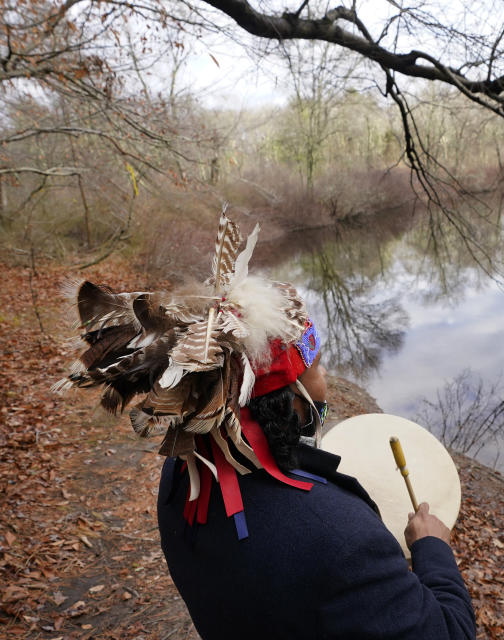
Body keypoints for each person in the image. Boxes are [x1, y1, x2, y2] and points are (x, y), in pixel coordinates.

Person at [56, 214, 476, 639]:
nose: (325, 376)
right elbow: (450, 632)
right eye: (317, 363)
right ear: (292, 397)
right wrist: (432, 550)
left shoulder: (184, 477)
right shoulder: (342, 540)